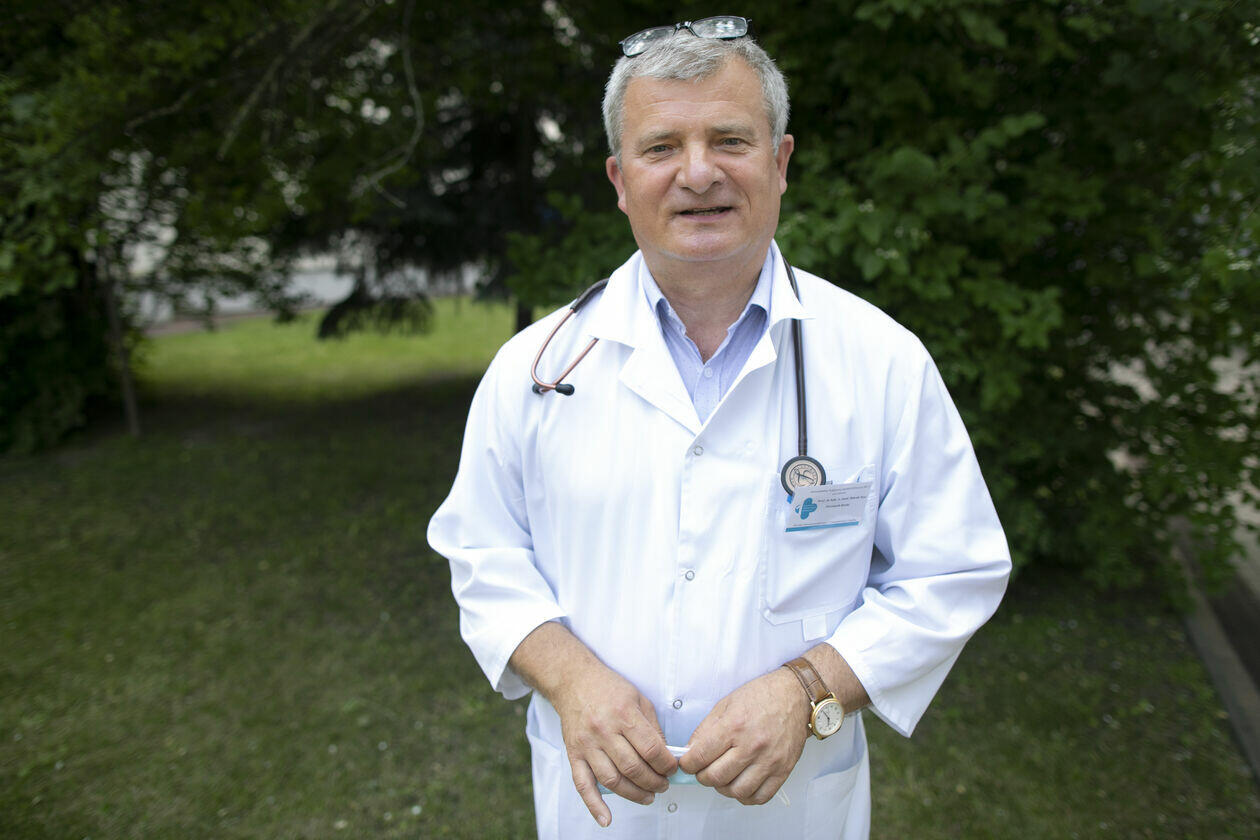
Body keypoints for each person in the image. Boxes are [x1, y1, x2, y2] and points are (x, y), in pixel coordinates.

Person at [427, 16, 1011, 840]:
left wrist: (810, 688)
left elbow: (952, 570)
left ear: (780, 163)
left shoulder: (882, 360)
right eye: (661, 147)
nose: (698, 173)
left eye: (730, 140)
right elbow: (483, 553)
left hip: (795, 813)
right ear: (619, 178)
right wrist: (570, 679)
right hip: (604, 814)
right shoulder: (536, 367)